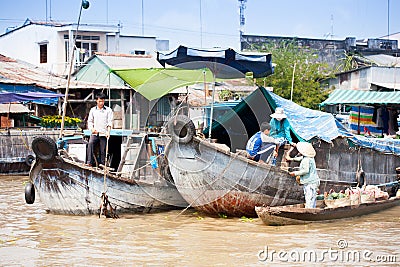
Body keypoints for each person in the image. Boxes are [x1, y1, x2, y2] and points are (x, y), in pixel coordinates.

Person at [287, 142, 320, 208]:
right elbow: (300, 158)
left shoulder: (306, 160)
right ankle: (312, 210)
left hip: (309, 182)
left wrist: (295, 173)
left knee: (309, 198)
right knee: (312, 199)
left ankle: (309, 212)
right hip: (314, 181)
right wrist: (291, 159)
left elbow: (305, 170)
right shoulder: (309, 157)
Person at [86, 92, 113, 167]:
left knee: (103, 149)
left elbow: (109, 122)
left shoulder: (108, 110)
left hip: (103, 133)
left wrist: (108, 132)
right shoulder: (93, 110)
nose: (101, 103)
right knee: (90, 143)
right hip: (95, 133)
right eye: (100, 101)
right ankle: (89, 162)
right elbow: (90, 121)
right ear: (96, 101)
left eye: (103, 101)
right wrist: (92, 129)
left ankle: (102, 164)